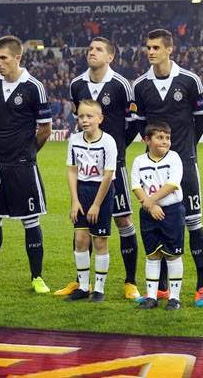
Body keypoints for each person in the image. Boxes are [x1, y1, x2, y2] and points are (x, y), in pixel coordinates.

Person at [129, 29, 203, 307]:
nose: (150, 52)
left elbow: (200, 122)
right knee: (158, 220)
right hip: (153, 168)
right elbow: (140, 125)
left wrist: (185, 150)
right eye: (147, 47)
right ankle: (161, 288)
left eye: (155, 47)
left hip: (185, 164)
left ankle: (202, 287)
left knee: (193, 224)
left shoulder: (190, 80)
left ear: (169, 49)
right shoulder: (140, 85)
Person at [62, 37, 140, 301]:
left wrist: (116, 150)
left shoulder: (121, 86)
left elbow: (133, 124)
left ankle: (130, 281)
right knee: (82, 223)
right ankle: (81, 282)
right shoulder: (77, 84)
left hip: (112, 167)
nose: (92, 52)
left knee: (123, 220)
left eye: (98, 49)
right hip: (85, 168)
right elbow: (78, 119)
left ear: (110, 57)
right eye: (90, 49)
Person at [0, 35, 52, 294]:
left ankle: (37, 277)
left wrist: (29, 151)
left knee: (30, 221)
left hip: (23, 165)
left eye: (3, 58)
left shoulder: (34, 87)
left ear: (17, 58)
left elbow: (45, 129)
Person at [64, 99, 118, 303]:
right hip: (82, 190)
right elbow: (71, 169)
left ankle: (100, 289)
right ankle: (84, 287)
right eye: (81, 116)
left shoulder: (108, 142)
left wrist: (96, 204)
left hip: (102, 192)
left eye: (89, 116)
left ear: (100, 118)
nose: (84, 120)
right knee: (80, 239)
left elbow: (108, 174)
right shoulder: (75, 139)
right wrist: (74, 200)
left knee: (100, 241)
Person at [131, 121, 187, 311]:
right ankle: (151, 296)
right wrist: (149, 206)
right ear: (147, 140)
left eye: (167, 138)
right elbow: (136, 186)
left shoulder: (174, 157)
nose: (165, 141)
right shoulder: (139, 161)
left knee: (173, 255)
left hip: (171, 211)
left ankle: (175, 297)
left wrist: (150, 201)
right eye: (159, 137)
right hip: (148, 213)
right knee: (152, 255)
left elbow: (172, 184)